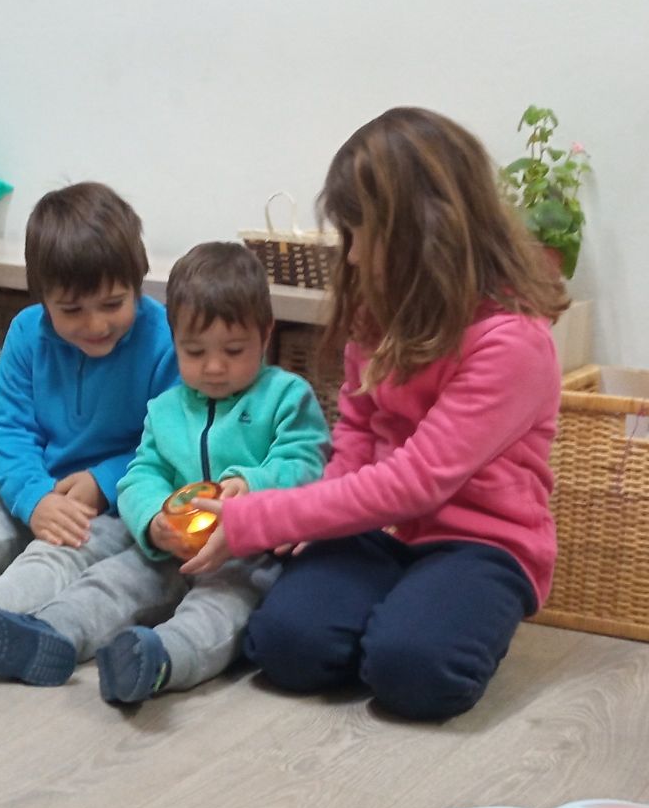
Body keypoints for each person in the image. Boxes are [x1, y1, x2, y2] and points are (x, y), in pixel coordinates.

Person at [183, 106, 568, 721]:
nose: (355, 255)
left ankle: (421, 618)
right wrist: (319, 516)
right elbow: (359, 431)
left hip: (479, 544)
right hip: (380, 531)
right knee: (286, 648)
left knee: (413, 671)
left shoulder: (514, 344)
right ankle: (394, 610)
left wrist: (264, 517)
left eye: (363, 233)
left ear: (425, 232)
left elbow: (415, 482)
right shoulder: (378, 311)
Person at [84, 241, 329, 702]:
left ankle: (158, 661)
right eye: (194, 351)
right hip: (172, 549)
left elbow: (308, 464)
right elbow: (140, 474)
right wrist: (153, 518)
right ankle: (53, 629)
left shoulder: (286, 396)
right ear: (174, 340)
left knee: (217, 614)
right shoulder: (165, 409)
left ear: (266, 333)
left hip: (250, 555)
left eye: (234, 350)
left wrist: (251, 484)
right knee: (111, 581)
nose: (214, 367)